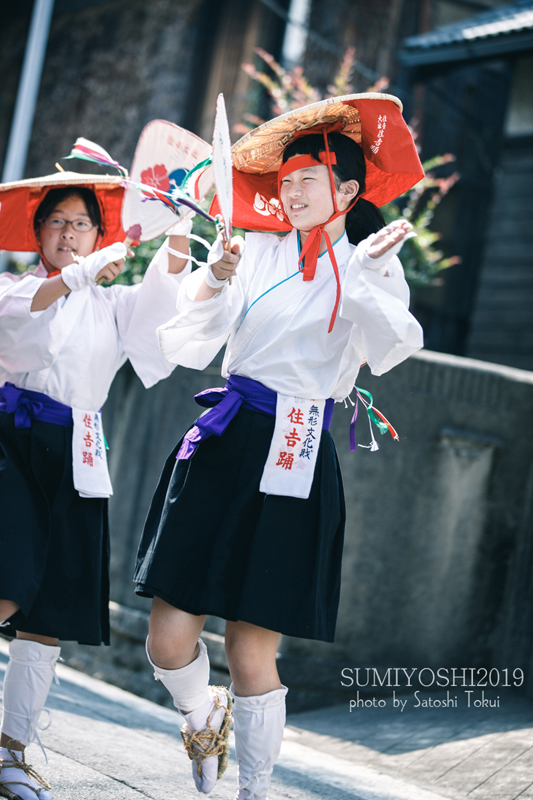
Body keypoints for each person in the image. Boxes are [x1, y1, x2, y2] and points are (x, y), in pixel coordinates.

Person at [133, 94, 425, 799]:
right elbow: (190, 342)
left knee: (249, 645)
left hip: (296, 446)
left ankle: (254, 788)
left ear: (347, 191)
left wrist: (357, 280)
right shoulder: (254, 247)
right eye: (285, 181)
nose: (290, 193)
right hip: (229, 434)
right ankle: (203, 719)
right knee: (167, 640)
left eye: (308, 182)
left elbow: (394, 347)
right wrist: (214, 279)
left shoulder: (370, 260)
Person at [0, 171, 193, 800]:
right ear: (38, 232)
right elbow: (18, 327)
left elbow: (163, 317)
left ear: (97, 233)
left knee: (48, 608)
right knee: (6, 580)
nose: (67, 232)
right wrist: (73, 280)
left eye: (81, 222)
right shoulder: (14, 286)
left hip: (77, 449)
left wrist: (177, 238)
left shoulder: (114, 303)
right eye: (56, 221)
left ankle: (14, 749)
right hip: (9, 441)